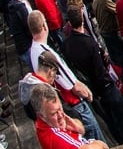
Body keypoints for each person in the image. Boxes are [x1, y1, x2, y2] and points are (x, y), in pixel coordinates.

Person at [61, 7, 123, 144]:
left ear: (69, 23)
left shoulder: (66, 44)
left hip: (92, 90)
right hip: (105, 88)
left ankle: (121, 142)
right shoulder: (89, 43)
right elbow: (99, 70)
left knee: (110, 122)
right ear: (82, 21)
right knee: (122, 120)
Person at [27, 11, 106, 143]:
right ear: (44, 26)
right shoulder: (47, 54)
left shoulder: (33, 51)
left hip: (63, 106)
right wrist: (88, 94)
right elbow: (73, 85)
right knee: (97, 140)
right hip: (75, 104)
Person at [30, 83, 109, 149]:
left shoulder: (49, 119)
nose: (60, 115)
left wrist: (78, 128)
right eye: (54, 113)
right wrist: (99, 143)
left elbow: (80, 129)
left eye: (60, 108)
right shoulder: (54, 137)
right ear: (41, 115)